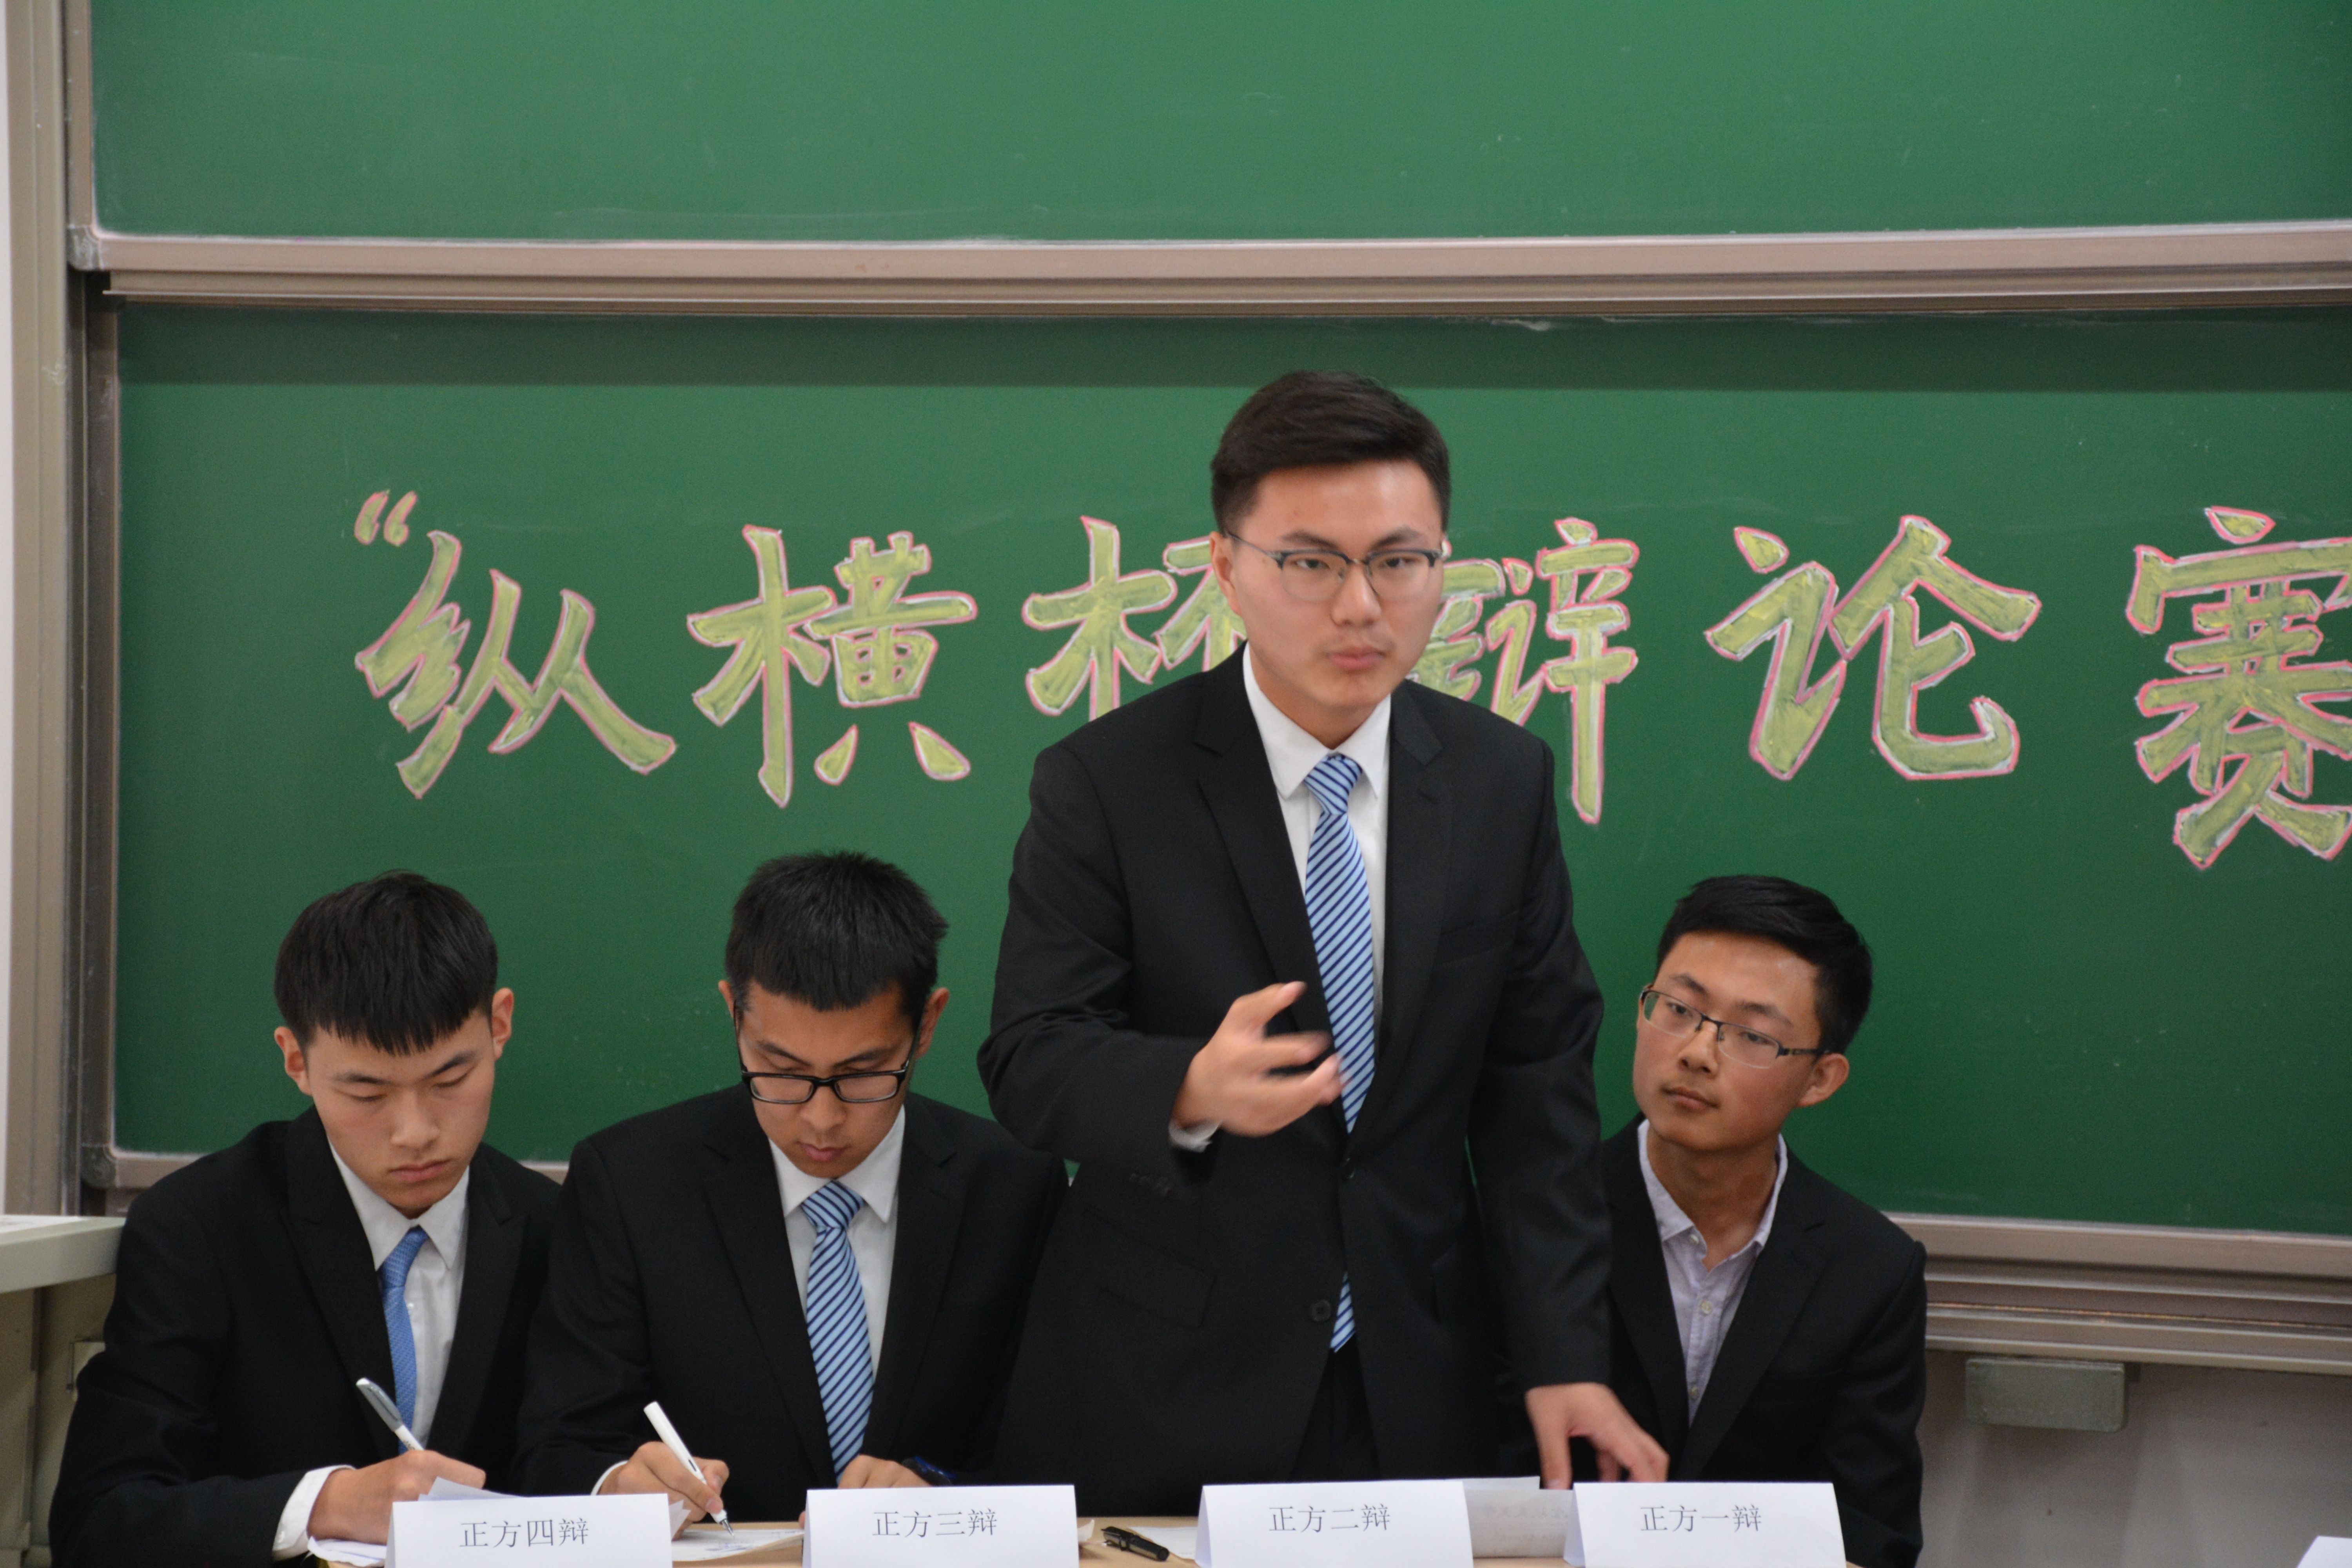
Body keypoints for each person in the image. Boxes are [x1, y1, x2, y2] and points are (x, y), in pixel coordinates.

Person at [980, 370, 1664, 1513]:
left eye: (1399, 561)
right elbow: (1031, 1056)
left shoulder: (1499, 779)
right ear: (1226, 567)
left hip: (1419, 1376)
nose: (1360, 606)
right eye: (1310, 563)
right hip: (1170, 1381)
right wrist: (1187, 1086)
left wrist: (1563, 1354)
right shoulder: (1109, 782)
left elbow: (1536, 1094)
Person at [514, 852, 1064, 1521]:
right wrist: (619, 1486)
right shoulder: (631, 1184)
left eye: (863, 1074)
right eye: (781, 1070)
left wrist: (942, 1498)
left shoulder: (1013, 1189)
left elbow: (1051, 1452)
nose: (821, 1119)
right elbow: (557, 1447)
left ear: (926, 1025)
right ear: (734, 1013)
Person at [50, 873, 561, 1566]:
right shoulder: (201, 1229)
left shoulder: (554, 1229)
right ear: (296, 1060)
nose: (415, 1133)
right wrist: (324, 1505)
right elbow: (101, 1520)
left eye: (450, 1081)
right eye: (367, 1093)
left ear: (499, 1025)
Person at [1588, 875, 1926, 1568]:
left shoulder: (1871, 1271)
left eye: (1752, 1035)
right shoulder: (1536, 1222)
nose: (1696, 1052)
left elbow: (1870, 1533)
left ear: (1820, 1079)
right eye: (1678, 1008)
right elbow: (1479, 1494)